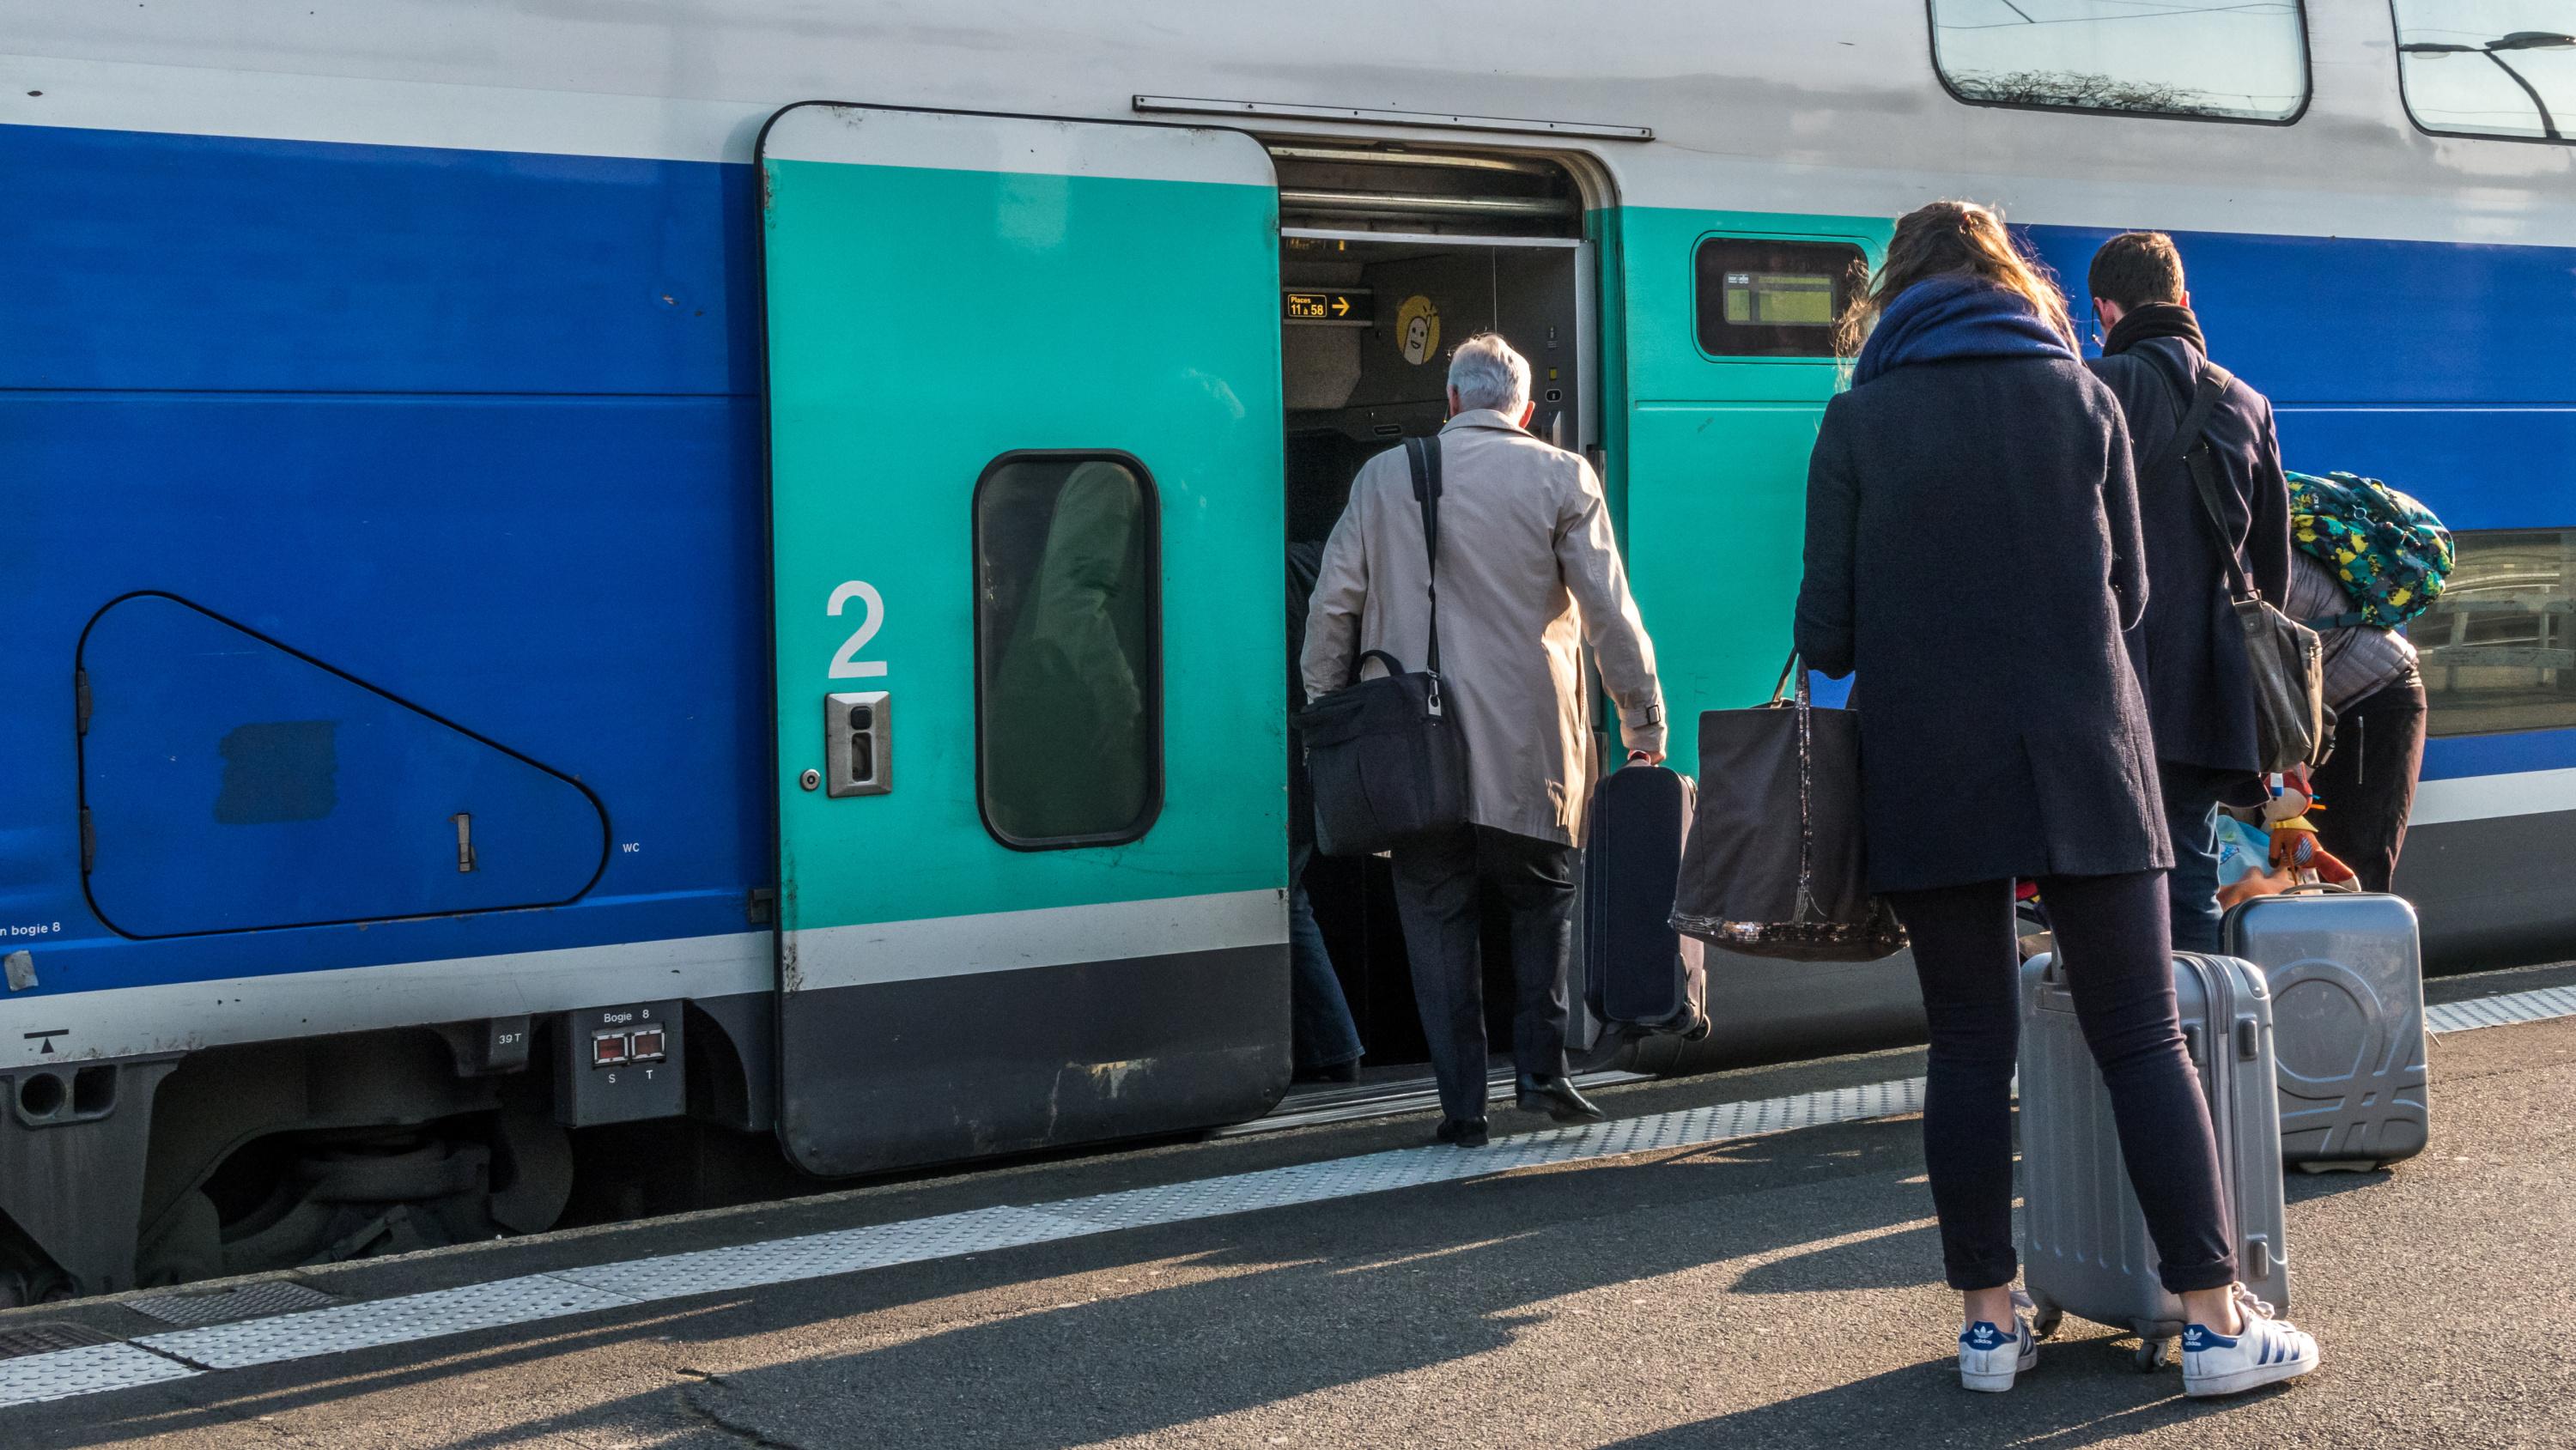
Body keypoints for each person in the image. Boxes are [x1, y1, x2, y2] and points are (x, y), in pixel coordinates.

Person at [1795, 201, 2317, 1397]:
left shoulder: (1857, 420)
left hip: (1931, 769)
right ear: (2006, 283)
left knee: (1970, 1040)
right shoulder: (2082, 398)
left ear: (1895, 299)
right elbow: (2129, 593)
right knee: (2142, 1032)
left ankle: (1988, 1323)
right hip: (2087, 753)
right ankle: (2216, 1317)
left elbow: (1823, 632)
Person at [1302, 333, 1666, 1148]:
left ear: (1453, 401)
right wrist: (1642, 721)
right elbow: (1612, 615)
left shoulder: (1384, 475)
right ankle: (1541, 1070)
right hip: (1530, 748)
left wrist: (1328, 708)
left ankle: (1462, 1108)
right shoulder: (1562, 476)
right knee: (1543, 900)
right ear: (1526, 410)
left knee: (1437, 920)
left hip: (1408, 758)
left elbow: (1334, 606)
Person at [2083, 231, 2294, 952]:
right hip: (2213, 690)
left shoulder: (2093, 390)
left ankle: (2149, 1045)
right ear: (2183, 300)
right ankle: (2202, 1038)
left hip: (2119, 677)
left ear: (2104, 309)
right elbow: (2273, 565)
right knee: (2192, 876)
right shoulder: (2250, 403)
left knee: (2113, 881)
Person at [2287, 550, 2427, 892]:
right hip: (2321, 704)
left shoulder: (2239, 556)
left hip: (2370, 697)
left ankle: (2359, 943)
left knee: (2352, 863)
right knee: (2307, 862)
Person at [1285, 537, 1365, 1083]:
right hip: (1321, 754)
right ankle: (1333, 1051)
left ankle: (1335, 1051)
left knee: (1285, 898)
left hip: (1290, 753)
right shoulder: (1324, 563)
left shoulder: (1281, 569)